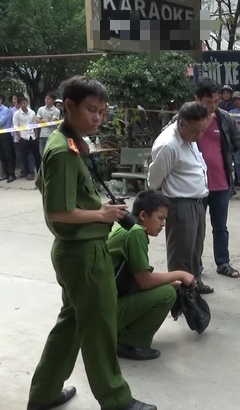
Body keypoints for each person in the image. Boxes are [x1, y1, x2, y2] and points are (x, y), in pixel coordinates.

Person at [28, 75, 155, 410]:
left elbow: (47, 187)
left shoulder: (69, 142)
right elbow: (59, 211)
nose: (98, 117)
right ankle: (116, 400)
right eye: (91, 110)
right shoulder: (63, 151)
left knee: (70, 326)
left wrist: (98, 211)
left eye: (102, 111)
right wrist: (101, 215)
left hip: (78, 253)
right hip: (83, 254)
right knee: (99, 328)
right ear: (69, 107)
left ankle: (44, 393)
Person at [107, 190, 196, 360]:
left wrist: (170, 281)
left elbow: (135, 275)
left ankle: (121, 332)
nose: (163, 224)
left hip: (102, 305)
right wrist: (180, 274)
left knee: (167, 286)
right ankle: (130, 342)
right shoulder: (136, 232)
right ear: (143, 215)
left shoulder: (125, 227)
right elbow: (145, 281)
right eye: (160, 218)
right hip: (106, 312)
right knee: (167, 294)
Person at [149, 102, 215, 294]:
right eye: (196, 131)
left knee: (195, 249)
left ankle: (194, 283)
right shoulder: (168, 145)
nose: (199, 136)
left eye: (203, 130)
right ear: (182, 125)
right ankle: (180, 294)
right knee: (181, 252)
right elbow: (154, 181)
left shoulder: (190, 137)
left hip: (197, 202)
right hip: (179, 203)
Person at [188, 79, 240, 279]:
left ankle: (223, 263)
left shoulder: (224, 119)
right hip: (196, 186)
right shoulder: (185, 118)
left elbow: (239, 140)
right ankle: (196, 268)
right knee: (196, 229)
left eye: (216, 100)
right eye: (208, 101)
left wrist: (225, 157)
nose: (213, 105)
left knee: (220, 227)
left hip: (221, 183)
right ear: (197, 99)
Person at [13, 95, 41, 181]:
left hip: (32, 136)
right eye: (21, 103)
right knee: (25, 156)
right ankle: (28, 173)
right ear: (19, 104)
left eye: (24, 102)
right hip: (23, 137)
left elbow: (35, 125)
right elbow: (16, 126)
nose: (23, 105)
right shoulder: (16, 114)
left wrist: (36, 135)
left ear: (27, 103)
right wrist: (20, 137)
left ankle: (40, 172)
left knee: (37, 156)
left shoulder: (32, 112)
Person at [36, 91, 61, 156]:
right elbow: (37, 120)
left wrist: (43, 120)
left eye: (48, 98)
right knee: (42, 154)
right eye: (45, 98)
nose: (46, 100)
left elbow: (52, 122)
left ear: (53, 101)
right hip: (42, 135)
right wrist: (43, 120)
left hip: (52, 135)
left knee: (51, 154)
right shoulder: (41, 109)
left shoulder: (56, 111)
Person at [0, 93, 17, 182]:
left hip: (6, 134)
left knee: (8, 154)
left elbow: (1, 122)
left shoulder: (5, 110)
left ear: (1, 100)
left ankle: (11, 174)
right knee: (2, 155)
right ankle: (6, 173)